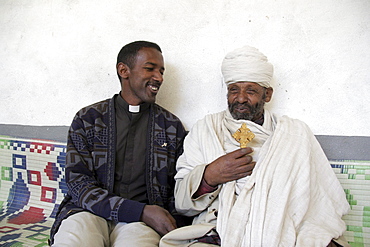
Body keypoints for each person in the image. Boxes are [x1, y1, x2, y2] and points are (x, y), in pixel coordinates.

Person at [160, 46, 350, 247]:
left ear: (267, 95)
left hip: (282, 231)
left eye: (250, 90)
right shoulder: (206, 130)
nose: (241, 98)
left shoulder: (295, 133)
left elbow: (319, 203)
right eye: (234, 90)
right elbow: (181, 203)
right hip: (217, 233)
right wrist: (210, 176)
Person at [50, 41, 188, 246]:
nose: (158, 77)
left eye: (161, 71)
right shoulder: (88, 119)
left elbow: (179, 188)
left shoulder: (171, 127)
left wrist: (169, 220)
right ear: (124, 70)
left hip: (143, 223)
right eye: (150, 69)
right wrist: (139, 211)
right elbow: (78, 185)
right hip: (87, 213)